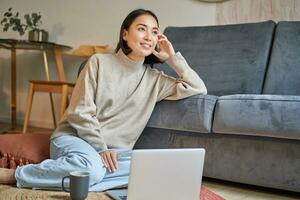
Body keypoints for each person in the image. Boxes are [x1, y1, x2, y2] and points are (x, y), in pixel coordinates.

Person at [0, 9, 207, 191]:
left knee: (157, 171)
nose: (149, 36)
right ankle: (15, 175)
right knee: (92, 168)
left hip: (116, 155)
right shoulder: (99, 63)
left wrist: (171, 58)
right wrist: (101, 148)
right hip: (76, 139)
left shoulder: (155, 80)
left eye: (154, 31)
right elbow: (80, 112)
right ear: (125, 34)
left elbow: (198, 87)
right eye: (142, 29)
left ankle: (82, 179)